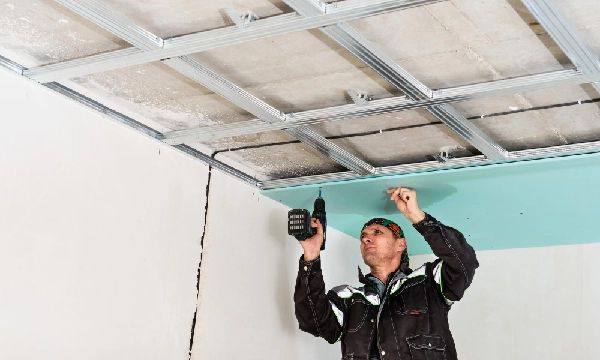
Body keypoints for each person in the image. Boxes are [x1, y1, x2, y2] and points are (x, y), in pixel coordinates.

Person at [294, 187, 479, 360]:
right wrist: (311, 254)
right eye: (363, 236)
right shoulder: (348, 298)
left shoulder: (428, 282)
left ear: (401, 244)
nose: (366, 238)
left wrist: (417, 216)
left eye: (377, 232)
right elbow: (313, 322)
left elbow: (464, 263)